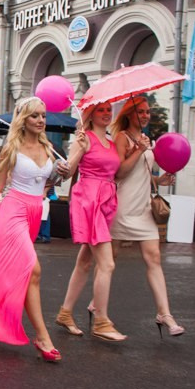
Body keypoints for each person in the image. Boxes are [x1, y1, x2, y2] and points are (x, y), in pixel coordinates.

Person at [0, 97, 69, 362]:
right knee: (32, 270)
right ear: (23, 119)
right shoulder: (11, 148)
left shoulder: (49, 147)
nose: (41, 120)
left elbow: (48, 183)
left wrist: (64, 169)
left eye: (43, 115)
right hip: (13, 211)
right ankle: (42, 337)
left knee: (13, 273)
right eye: (35, 116)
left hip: (34, 212)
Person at [109, 97, 185, 337]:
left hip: (143, 208)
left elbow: (141, 175)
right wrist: (140, 150)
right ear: (129, 114)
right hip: (123, 207)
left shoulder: (146, 140)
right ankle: (96, 305)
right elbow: (119, 172)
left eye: (147, 112)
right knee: (109, 260)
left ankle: (165, 314)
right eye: (140, 112)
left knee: (154, 258)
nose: (144, 115)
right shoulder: (121, 138)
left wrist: (158, 180)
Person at [55, 102, 126, 342]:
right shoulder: (84, 139)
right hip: (88, 199)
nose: (107, 114)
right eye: (101, 110)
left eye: (109, 110)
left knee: (85, 261)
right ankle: (101, 321)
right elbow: (67, 171)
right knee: (107, 264)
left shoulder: (112, 142)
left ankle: (65, 312)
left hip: (105, 200)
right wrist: (79, 149)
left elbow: (118, 172)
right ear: (91, 114)